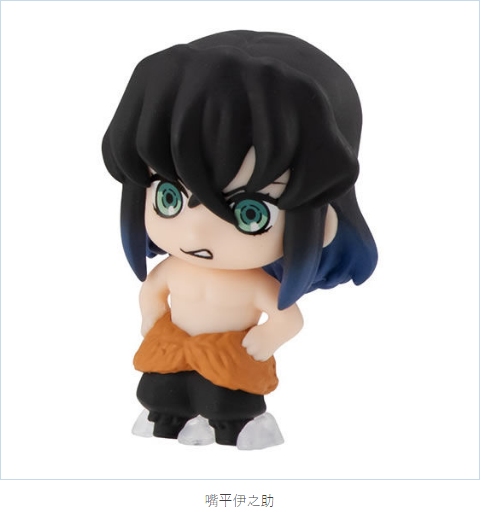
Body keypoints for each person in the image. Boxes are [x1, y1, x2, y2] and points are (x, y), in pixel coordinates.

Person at [102, 30, 377, 449]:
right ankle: (168, 418)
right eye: (169, 197)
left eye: (250, 212)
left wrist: (265, 340)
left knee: (226, 400)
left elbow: (288, 319)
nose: (195, 232)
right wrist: (151, 317)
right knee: (159, 392)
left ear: (322, 220)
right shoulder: (175, 269)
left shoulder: (254, 285)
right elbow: (152, 290)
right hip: (172, 345)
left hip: (231, 353)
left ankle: (237, 426)